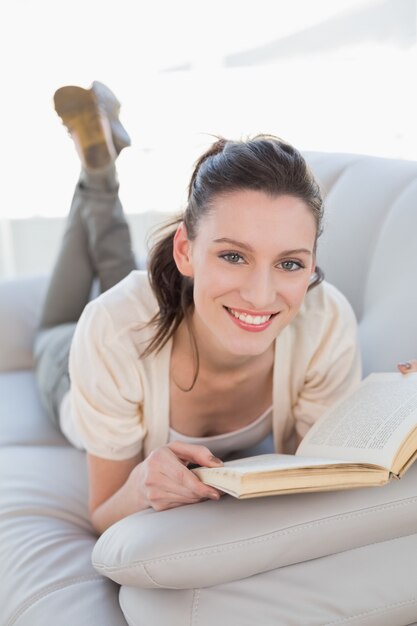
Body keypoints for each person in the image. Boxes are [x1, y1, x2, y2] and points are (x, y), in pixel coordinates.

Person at [34, 81, 417, 536]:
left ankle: (100, 170)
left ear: (313, 263)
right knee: (58, 325)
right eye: (233, 256)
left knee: (123, 279)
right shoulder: (113, 329)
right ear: (185, 250)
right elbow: (103, 512)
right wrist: (142, 485)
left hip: (159, 309)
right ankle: (98, 179)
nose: (260, 295)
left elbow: (319, 475)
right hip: (66, 364)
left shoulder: (325, 321)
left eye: (290, 263)